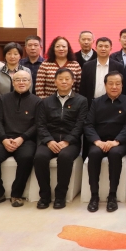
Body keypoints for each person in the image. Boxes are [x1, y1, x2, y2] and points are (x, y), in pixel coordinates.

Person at [0, 70, 41, 208]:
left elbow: (37, 124)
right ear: (13, 82)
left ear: (30, 82)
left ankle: (17, 194)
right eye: (18, 80)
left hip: (26, 140)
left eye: (25, 80)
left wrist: (22, 138)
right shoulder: (3, 99)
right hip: (4, 138)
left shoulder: (37, 101)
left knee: (26, 158)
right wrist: (4, 138)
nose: (21, 82)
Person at [34, 68, 88, 209]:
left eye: (67, 79)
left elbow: (80, 125)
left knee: (64, 157)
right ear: (55, 81)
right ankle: (44, 195)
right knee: (39, 157)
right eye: (60, 79)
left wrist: (67, 141)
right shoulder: (45, 102)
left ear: (73, 81)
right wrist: (49, 141)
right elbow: (40, 124)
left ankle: (60, 196)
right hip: (49, 140)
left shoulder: (81, 101)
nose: (64, 82)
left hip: (71, 142)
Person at [84, 71, 126, 213]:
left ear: (122, 85)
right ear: (105, 85)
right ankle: (94, 196)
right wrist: (97, 141)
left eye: (118, 84)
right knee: (93, 154)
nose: (114, 87)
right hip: (99, 141)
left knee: (115, 154)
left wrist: (116, 141)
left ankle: (112, 195)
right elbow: (88, 124)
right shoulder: (96, 102)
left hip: (119, 143)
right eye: (111, 83)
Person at [78, 37, 124, 107]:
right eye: (100, 46)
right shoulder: (87, 66)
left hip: (112, 104)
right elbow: (83, 88)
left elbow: (122, 87)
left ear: (111, 49)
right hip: (91, 104)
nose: (103, 49)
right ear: (96, 48)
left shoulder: (118, 66)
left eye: (106, 46)